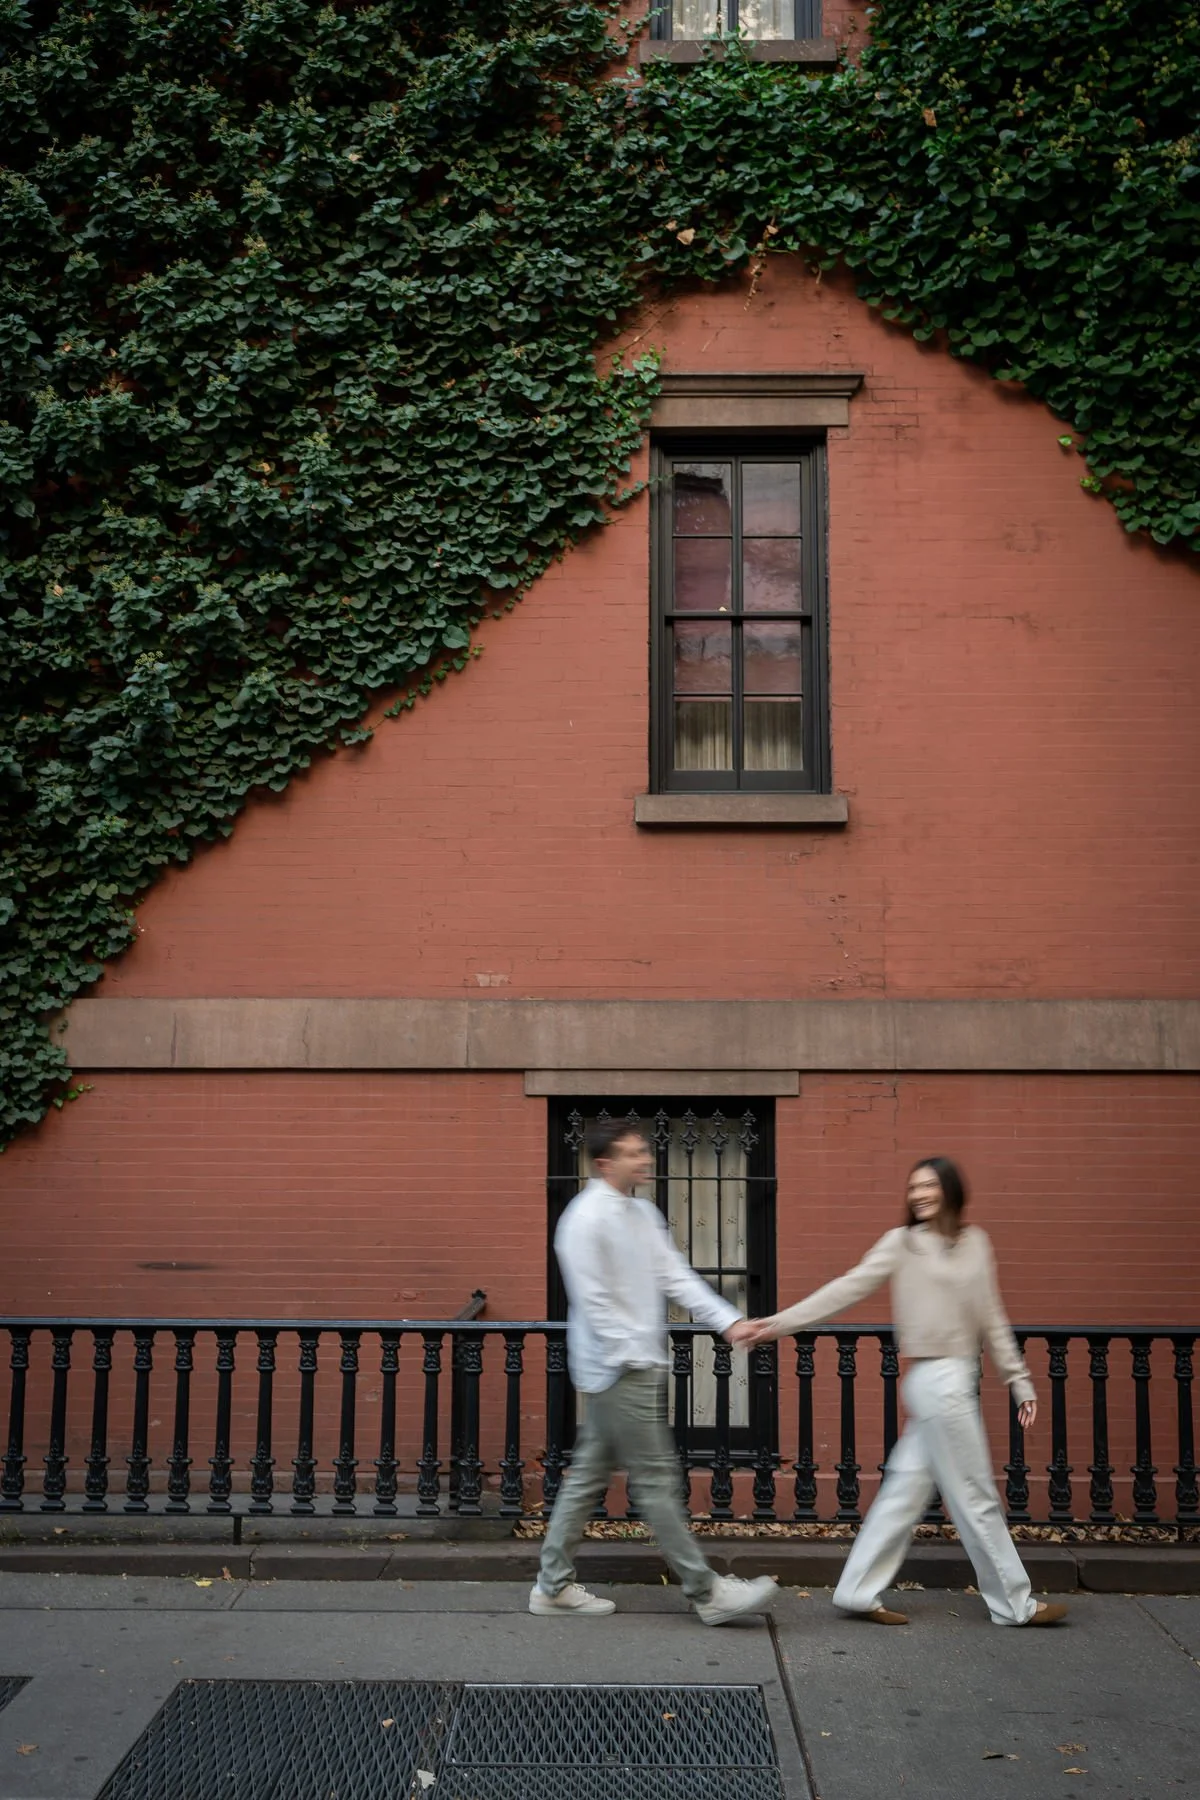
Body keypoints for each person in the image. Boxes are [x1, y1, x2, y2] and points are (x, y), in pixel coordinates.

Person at [748, 1157, 1067, 1628]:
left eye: (928, 1186)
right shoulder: (903, 1244)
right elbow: (845, 1289)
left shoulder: (975, 1243)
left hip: (954, 1379)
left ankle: (857, 1592)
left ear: (950, 1190)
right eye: (913, 1186)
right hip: (937, 1385)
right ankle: (1014, 1604)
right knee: (976, 1497)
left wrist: (1018, 1380)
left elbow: (991, 1315)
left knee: (902, 1494)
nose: (918, 1194)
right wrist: (776, 1325)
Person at [530, 1121, 778, 1625]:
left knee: (587, 1480)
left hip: (634, 1364)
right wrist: (631, 1355)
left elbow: (674, 1276)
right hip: (621, 1368)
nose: (645, 1159)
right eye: (632, 1153)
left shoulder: (642, 1212)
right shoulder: (584, 1218)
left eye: (645, 1150)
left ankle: (551, 1587)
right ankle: (706, 1591)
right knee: (657, 1479)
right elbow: (593, 1300)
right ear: (604, 1163)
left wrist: (726, 1321)